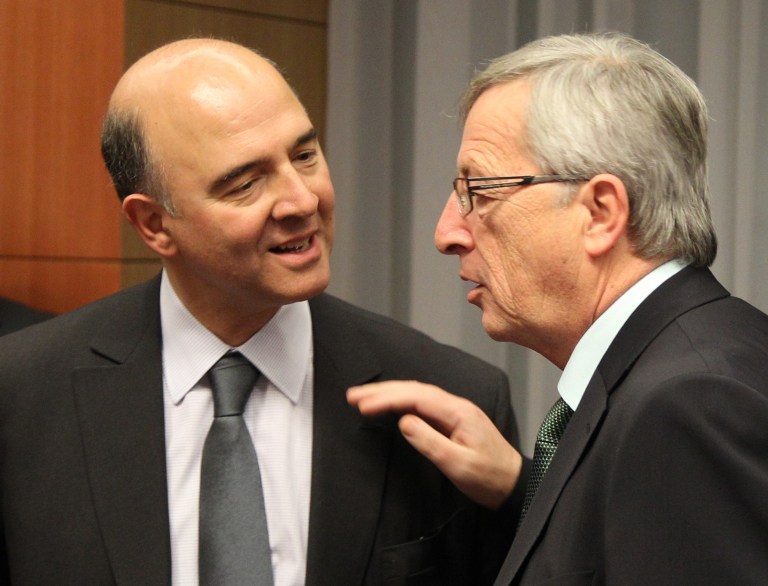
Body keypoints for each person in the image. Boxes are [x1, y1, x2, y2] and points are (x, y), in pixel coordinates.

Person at [0, 39, 523, 585]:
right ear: (154, 224)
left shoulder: (452, 399)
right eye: (245, 184)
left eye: (304, 156)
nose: (302, 201)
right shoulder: (20, 396)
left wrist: (518, 492)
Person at [348, 32, 768, 585]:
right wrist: (522, 489)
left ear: (599, 212)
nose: (447, 232)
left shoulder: (686, 405)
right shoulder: (692, 358)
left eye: (478, 191)